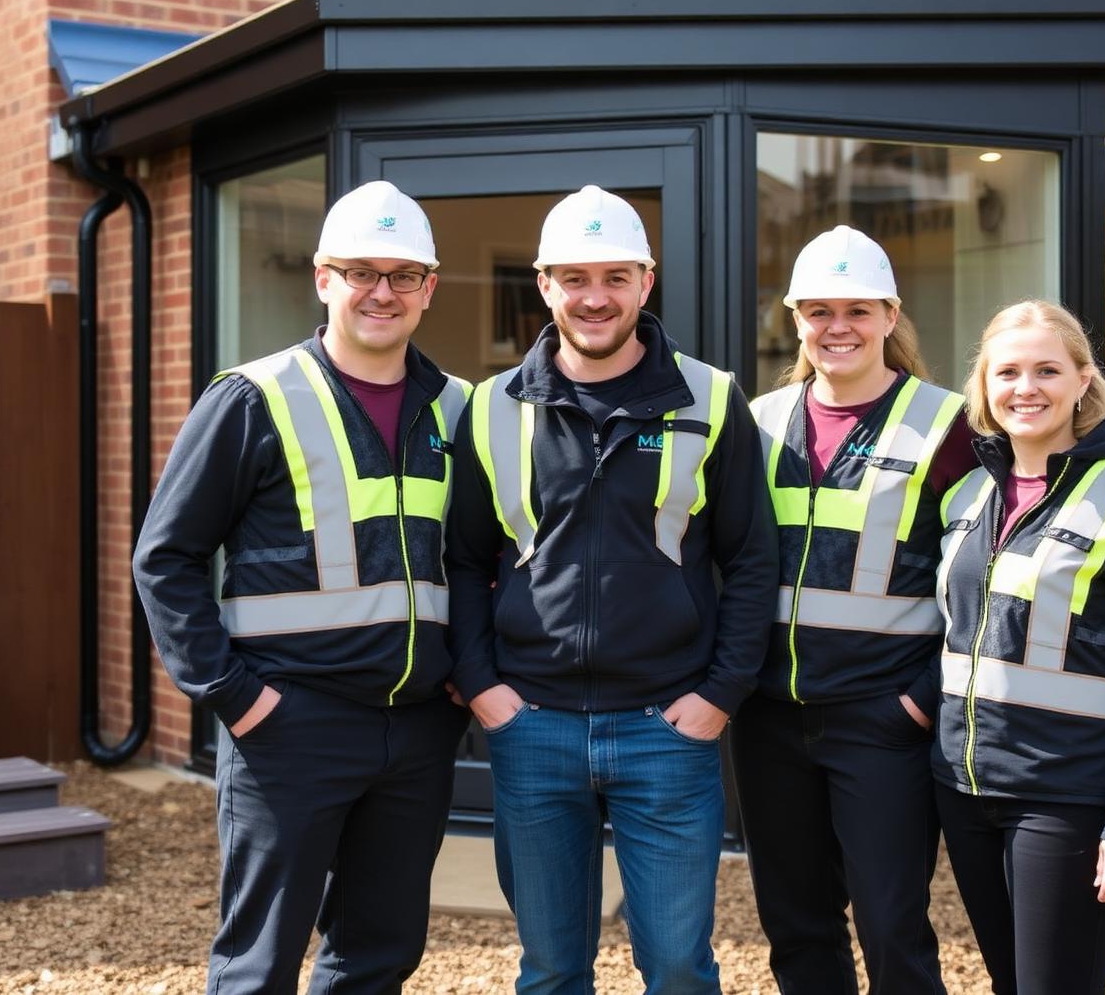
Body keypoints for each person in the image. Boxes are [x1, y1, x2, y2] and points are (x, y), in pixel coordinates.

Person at [132, 180, 472, 995]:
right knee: (260, 965)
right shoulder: (252, 398)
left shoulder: (459, 408)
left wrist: (463, 678)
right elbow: (166, 558)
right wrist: (236, 698)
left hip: (416, 732)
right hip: (291, 726)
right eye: (361, 270)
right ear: (323, 278)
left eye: (402, 274)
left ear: (429, 287)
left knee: (379, 956)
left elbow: (474, 562)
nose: (380, 292)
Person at [446, 184, 778, 995]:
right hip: (533, 729)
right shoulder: (490, 408)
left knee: (676, 967)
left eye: (616, 276)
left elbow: (751, 559)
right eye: (575, 277)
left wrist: (720, 696)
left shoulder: (711, 397)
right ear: (544, 284)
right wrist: (485, 689)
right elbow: (459, 561)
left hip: (667, 728)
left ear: (646, 281)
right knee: (553, 968)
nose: (595, 296)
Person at [933, 299, 1105, 995]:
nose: (1026, 388)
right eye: (1009, 372)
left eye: (1048, 370)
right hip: (966, 791)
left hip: (1067, 795)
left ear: (1085, 381)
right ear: (984, 388)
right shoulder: (965, 496)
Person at [732, 226, 974, 995]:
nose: (838, 327)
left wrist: (922, 702)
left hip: (883, 719)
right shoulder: (758, 419)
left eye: (858, 310)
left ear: (890, 314)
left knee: (891, 927)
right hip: (770, 718)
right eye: (819, 311)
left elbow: (983, 578)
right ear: (795, 317)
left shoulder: (949, 425)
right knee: (797, 927)